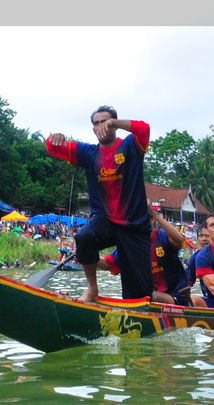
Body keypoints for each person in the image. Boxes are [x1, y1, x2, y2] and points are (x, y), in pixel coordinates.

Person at [45, 105, 153, 303]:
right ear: (93, 129)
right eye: (97, 123)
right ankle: (92, 289)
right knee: (84, 237)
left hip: (134, 226)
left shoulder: (131, 146)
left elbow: (144, 128)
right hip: (105, 221)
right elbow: (53, 148)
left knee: (139, 294)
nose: (101, 126)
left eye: (106, 121)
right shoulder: (88, 153)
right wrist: (53, 139)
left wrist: (116, 123)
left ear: (114, 125)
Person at [100, 200, 191, 305]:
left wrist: (155, 215)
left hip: (175, 297)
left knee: (145, 294)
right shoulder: (130, 245)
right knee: (137, 293)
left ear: (151, 219)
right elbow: (107, 263)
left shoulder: (162, 237)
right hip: (146, 298)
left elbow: (179, 240)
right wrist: (85, 255)